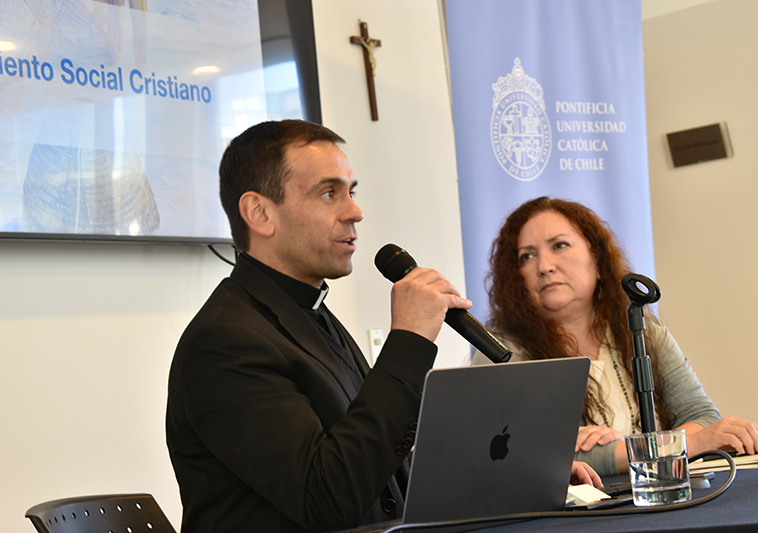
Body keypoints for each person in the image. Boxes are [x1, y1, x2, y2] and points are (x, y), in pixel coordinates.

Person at [166, 122, 600, 533]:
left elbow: (384, 465)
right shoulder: (226, 342)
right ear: (259, 212)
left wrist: (519, 471)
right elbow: (327, 498)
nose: (354, 212)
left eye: (351, 192)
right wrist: (408, 341)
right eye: (329, 193)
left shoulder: (306, 314)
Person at [474, 196, 758, 476]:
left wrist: (638, 448)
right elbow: (526, 455)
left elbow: (702, 416)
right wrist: (682, 445)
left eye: (560, 245)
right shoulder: (501, 351)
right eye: (527, 256)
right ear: (516, 278)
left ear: (598, 262)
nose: (545, 266)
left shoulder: (642, 330)